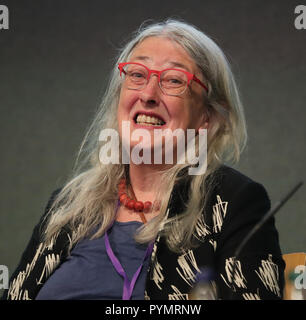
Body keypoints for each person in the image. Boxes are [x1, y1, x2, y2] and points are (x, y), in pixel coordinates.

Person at [2, 19, 285, 300]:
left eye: (173, 80)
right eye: (137, 74)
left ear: (206, 117)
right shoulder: (68, 206)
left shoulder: (234, 203)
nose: (148, 94)